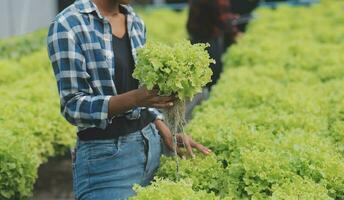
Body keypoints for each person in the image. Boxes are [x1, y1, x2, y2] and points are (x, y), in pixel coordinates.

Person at [47, 0, 211, 199]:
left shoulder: (135, 21)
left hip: (150, 148)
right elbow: (74, 106)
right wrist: (136, 98)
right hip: (107, 163)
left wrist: (165, 130)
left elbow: (140, 94)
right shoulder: (68, 24)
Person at [187, 0, 240, 90]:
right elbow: (221, 20)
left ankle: (205, 91)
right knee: (212, 72)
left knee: (199, 71)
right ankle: (209, 91)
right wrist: (234, 32)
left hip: (197, 35)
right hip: (208, 37)